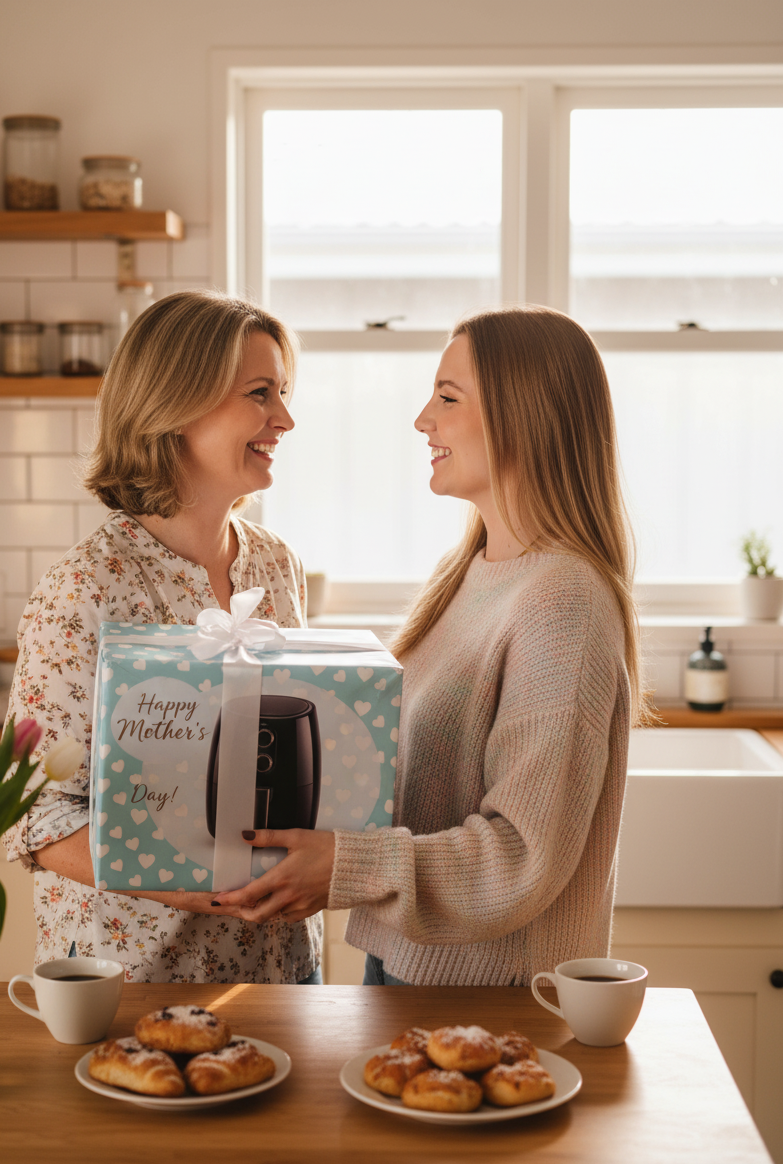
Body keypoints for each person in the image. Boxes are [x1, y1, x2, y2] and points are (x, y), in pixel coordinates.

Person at [209, 305, 649, 987]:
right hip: (413, 967)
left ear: (523, 414)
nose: (423, 419)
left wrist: (345, 863)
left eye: (448, 397)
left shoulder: (564, 603)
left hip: (492, 997)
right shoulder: (470, 573)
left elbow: (520, 857)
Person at [3, 290, 323, 984]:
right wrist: (199, 883)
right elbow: (31, 815)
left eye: (284, 393)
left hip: (280, 970)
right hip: (133, 982)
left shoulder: (276, 565)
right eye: (260, 394)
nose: (285, 419)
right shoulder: (84, 589)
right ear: (178, 405)